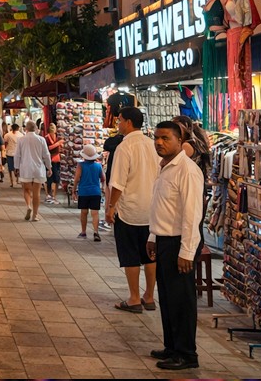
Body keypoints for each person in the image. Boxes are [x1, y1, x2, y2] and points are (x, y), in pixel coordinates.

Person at [147, 121, 205, 371]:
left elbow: (192, 215)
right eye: (156, 138)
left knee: (181, 300)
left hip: (179, 242)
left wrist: (187, 251)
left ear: (180, 141)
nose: (159, 143)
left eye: (165, 138)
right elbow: (161, 207)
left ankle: (186, 353)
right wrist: (152, 236)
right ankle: (172, 346)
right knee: (168, 298)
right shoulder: (165, 168)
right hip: (163, 240)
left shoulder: (187, 170)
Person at [106, 107, 159, 313]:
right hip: (151, 210)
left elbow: (118, 183)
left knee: (130, 255)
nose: (117, 124)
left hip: (129, 211)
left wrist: (111, 208)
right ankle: (149, 296)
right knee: (149, 254)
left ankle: (134, 298)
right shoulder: (152, 145)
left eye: (119, 120)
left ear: (128, 122)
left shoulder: (124, 147)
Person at [15, 121, 50, 221]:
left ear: (26, 129)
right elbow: (46, 155)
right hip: (38, 169)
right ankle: (35, 215)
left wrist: (16, 167)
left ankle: (28, 206)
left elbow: (17, 155)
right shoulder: (41, 139)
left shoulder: (21, 139)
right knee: (37, 192)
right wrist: (49, 167)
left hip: (25, 168)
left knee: (26, 189)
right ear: (35, 129)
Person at [75, 144, 104, 241]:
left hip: (84, 192)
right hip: (96, 192)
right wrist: (103, 188)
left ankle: (83, 232)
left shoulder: (80, 165)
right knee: (95, 213)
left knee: (84, 212)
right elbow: (103, 178)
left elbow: (77, 179)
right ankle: (96, 232)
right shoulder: (98, 166)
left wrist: (74, 189)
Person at [43, 120, 63, 203]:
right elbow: (48, 148)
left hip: (57, 159)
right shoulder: (46, 138)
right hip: (49, 159)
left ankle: (54, 196)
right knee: (49, 178)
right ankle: (49, 195)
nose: (53, 129)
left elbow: (60, 147)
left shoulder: (57, 137)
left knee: (57, 178)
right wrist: (58, 144)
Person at [3, 123, 20, 187]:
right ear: (18, 128)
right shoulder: (21, 135)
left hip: (9, 153)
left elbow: (5, 143)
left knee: (10, 168)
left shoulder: (7, 135)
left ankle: (12, 181)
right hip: (18, 154)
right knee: (17, 167)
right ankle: (17, 179)